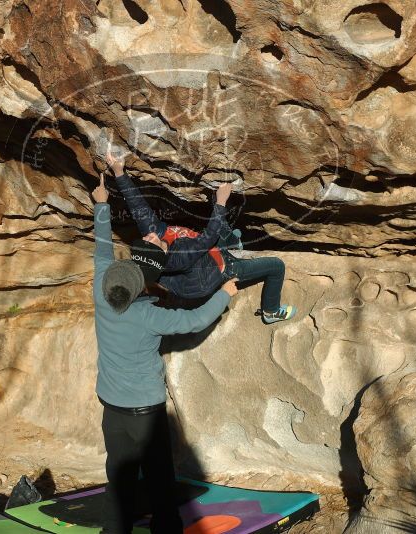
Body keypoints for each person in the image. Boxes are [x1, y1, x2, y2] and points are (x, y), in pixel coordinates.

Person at [91, 173, 238, 533]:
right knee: (160, 482)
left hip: (111, 408)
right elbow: (195, 320)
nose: (157, 238)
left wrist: (101, 204)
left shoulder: (100, 290)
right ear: (149, 283)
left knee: (119, 477)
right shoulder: (149, 316)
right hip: (146, 412)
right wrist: (226, 293)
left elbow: (102, 248)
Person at [106, 152, 296, 324]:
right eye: (149, 240)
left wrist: (119, 173)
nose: (147, 235)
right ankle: (270, 312)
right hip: (217, 273)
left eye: (144, 238)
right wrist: (221, 200)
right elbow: (208, 237)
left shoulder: (155, 237)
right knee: (276, 266)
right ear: (161, 251)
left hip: (194, 271)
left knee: (221, 231)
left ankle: (231, 241)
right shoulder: (181, 254)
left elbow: (138, 208)